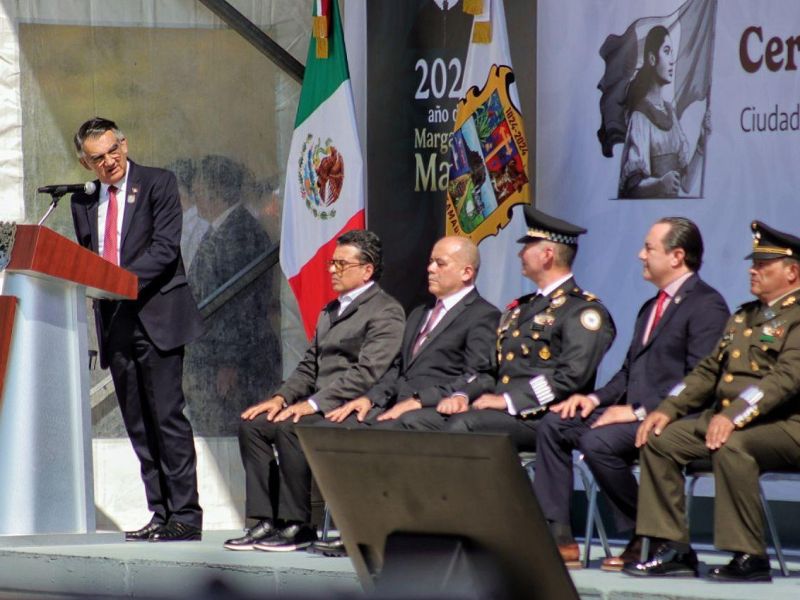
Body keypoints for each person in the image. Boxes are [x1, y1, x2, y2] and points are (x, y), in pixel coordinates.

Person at [532, 217, 728, 569]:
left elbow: (702, 379)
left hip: (678, 417)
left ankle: (650, 534)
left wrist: (639, 411)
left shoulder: (706, 305)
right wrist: (592, 400)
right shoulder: (651, 307)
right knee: (556, 424)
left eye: (649, 248)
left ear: (676, 256)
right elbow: (628, 372)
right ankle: (558, 534)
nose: (640, 255)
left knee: (598, 442)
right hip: (634, 413)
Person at [624, 221, 800, 582]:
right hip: (731, 419)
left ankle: (749, 556)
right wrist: (667, 409)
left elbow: (785, 379)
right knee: (659, 440)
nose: (754, 269)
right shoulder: (744, 315)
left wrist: (734, 414)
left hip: (785, 425)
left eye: (764, 265)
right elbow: (706, 372)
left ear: (792, 272)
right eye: (754, 262)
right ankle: (673, 547)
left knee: (733, 447)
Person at [440, 207, 616, 565]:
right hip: (511, 415)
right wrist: (464, 395)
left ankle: (495, 529)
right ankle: (468, 526)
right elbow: (491, 369)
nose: (521, 253)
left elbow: (571, 378)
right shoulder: (519, 310)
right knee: (446, 419)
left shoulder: (583, 311)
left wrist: (506, 402)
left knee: (466, 427)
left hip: (549, 416)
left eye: (528, 246)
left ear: (548, 253)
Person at [308, 236, 500, 557]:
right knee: (342, 429)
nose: (430, 269)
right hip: (395, 406)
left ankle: (378, 532)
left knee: (384, 436)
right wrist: (369, 398)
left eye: (440, 263)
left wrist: (421, 399)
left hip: (439, 410)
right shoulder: (419, 313)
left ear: (467, 272)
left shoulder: (482, 315)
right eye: (430, 261)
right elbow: (397, 368)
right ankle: (353, 527)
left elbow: (478, 376)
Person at [224, 230, 405, 552]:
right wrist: (280, 398)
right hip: (314, 403)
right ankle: (266, 520)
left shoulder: (385, 310)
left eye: (341, 264)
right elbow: (309, 366)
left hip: (350, 407)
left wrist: (313, 404)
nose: (332, 270)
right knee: (253, 425)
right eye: (331, 263)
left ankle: (299, 524)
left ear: (367, 269)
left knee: (290, 429)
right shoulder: (330, 310)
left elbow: (368, 372)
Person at [70, 117, 204, 542]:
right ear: (85, 161)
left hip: (157, 314)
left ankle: (186, 515)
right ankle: (160, 512)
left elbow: (165, 250)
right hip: (116, 321)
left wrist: (116, 282)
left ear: (124, 144)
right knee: (138, 425)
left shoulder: (158, 183)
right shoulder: (83, 202)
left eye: (113, 150)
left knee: (166, 418)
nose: (109, 161)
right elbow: (90, 255)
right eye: (97, 157)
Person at [185, 155, 280, 436]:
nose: (195, 195)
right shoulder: (221, 229)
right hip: (212, 358)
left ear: (216, 191)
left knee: (233, 436)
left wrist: (230, 362)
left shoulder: (239, 232)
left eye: (200, 188)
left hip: (237, 364)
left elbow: (242, 304)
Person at [618, 26, 710, 199]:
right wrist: (659, 184)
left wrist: (701, 144)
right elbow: (632, 188)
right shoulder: (640, 116)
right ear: (652, 59)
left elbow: (686, 185)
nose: (671, 60)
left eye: (672, 52)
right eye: (666, 51)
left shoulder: (671, 114)